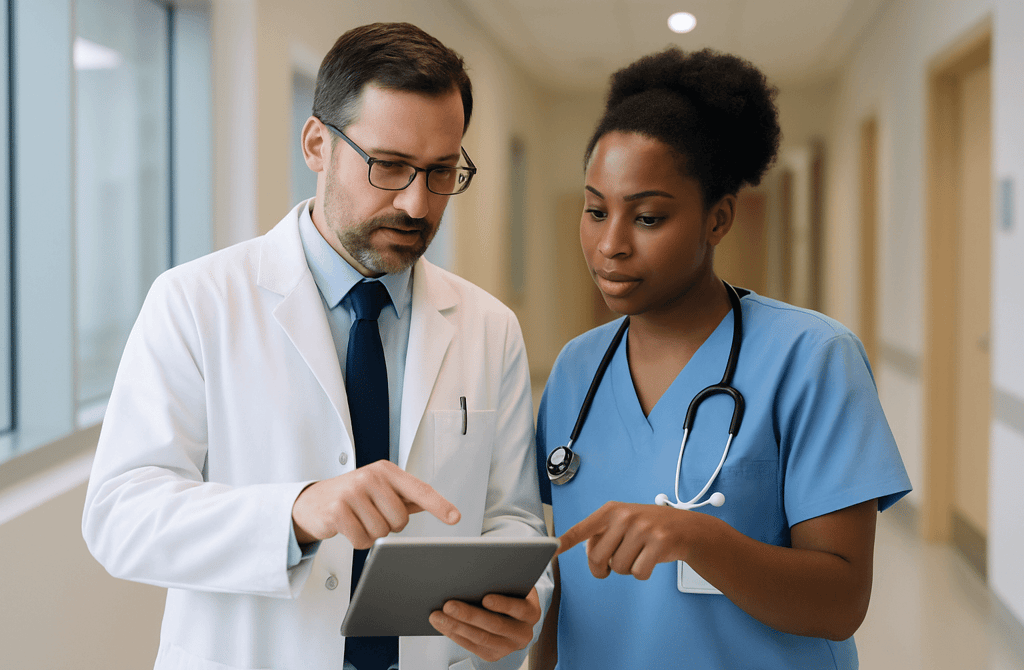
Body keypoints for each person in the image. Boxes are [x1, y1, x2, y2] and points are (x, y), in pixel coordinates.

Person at [83, 22, 551, 670]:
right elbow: (119, 517)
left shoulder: (488, 326)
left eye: (441, 172)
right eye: (388, 166)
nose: (417, 203)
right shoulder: (196, 301)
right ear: (316, 144)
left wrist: (524, 604)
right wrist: (296, 512)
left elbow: (514, 523)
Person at [533, 47, 911, 669]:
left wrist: (702, 540)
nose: (610, 245)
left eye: (648, 217)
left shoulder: (812, 359)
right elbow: (562, 578)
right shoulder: (577, 369)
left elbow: (841, 600)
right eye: (596, 210)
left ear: (719, 218)